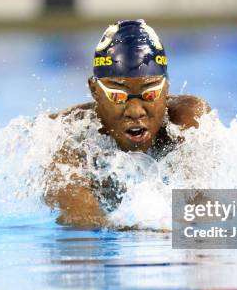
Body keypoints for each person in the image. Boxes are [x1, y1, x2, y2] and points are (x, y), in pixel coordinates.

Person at [45, 19, 210, 228]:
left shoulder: (187, 120)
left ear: (166, 89)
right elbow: (80, 219)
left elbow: (203, 209)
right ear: (95, 91)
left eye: (149, 94)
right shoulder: (68, 133)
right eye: (117, 96)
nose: (135, 111)